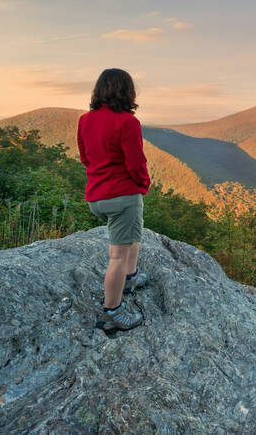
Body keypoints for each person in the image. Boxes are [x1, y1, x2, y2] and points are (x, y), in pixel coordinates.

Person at [77, 68, 151, 332]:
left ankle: (131, 277)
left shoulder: (85, 120)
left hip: (96, 195)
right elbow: (135, 163)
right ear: (127, 91)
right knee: (117, 256)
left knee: (133, 232)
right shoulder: (128, 122)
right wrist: (143, 184)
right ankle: (112, 312)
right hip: (121, 196)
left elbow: (85, 157)